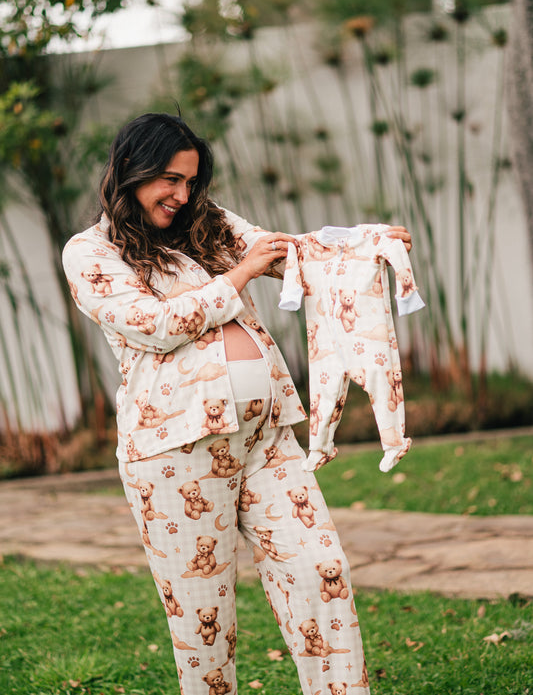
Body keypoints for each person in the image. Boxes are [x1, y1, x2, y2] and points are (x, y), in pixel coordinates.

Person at [62, 112, 412, 695]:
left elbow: (283, 253)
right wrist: (241, 275)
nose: (182, 194)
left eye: (191, 181)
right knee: (206, 629)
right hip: (175, 454)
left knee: (320, 572)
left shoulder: (209, 222)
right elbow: (157, 323)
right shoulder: (90, 253)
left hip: (264, 437)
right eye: (169, 179)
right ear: (129, 170)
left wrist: (363, 241)